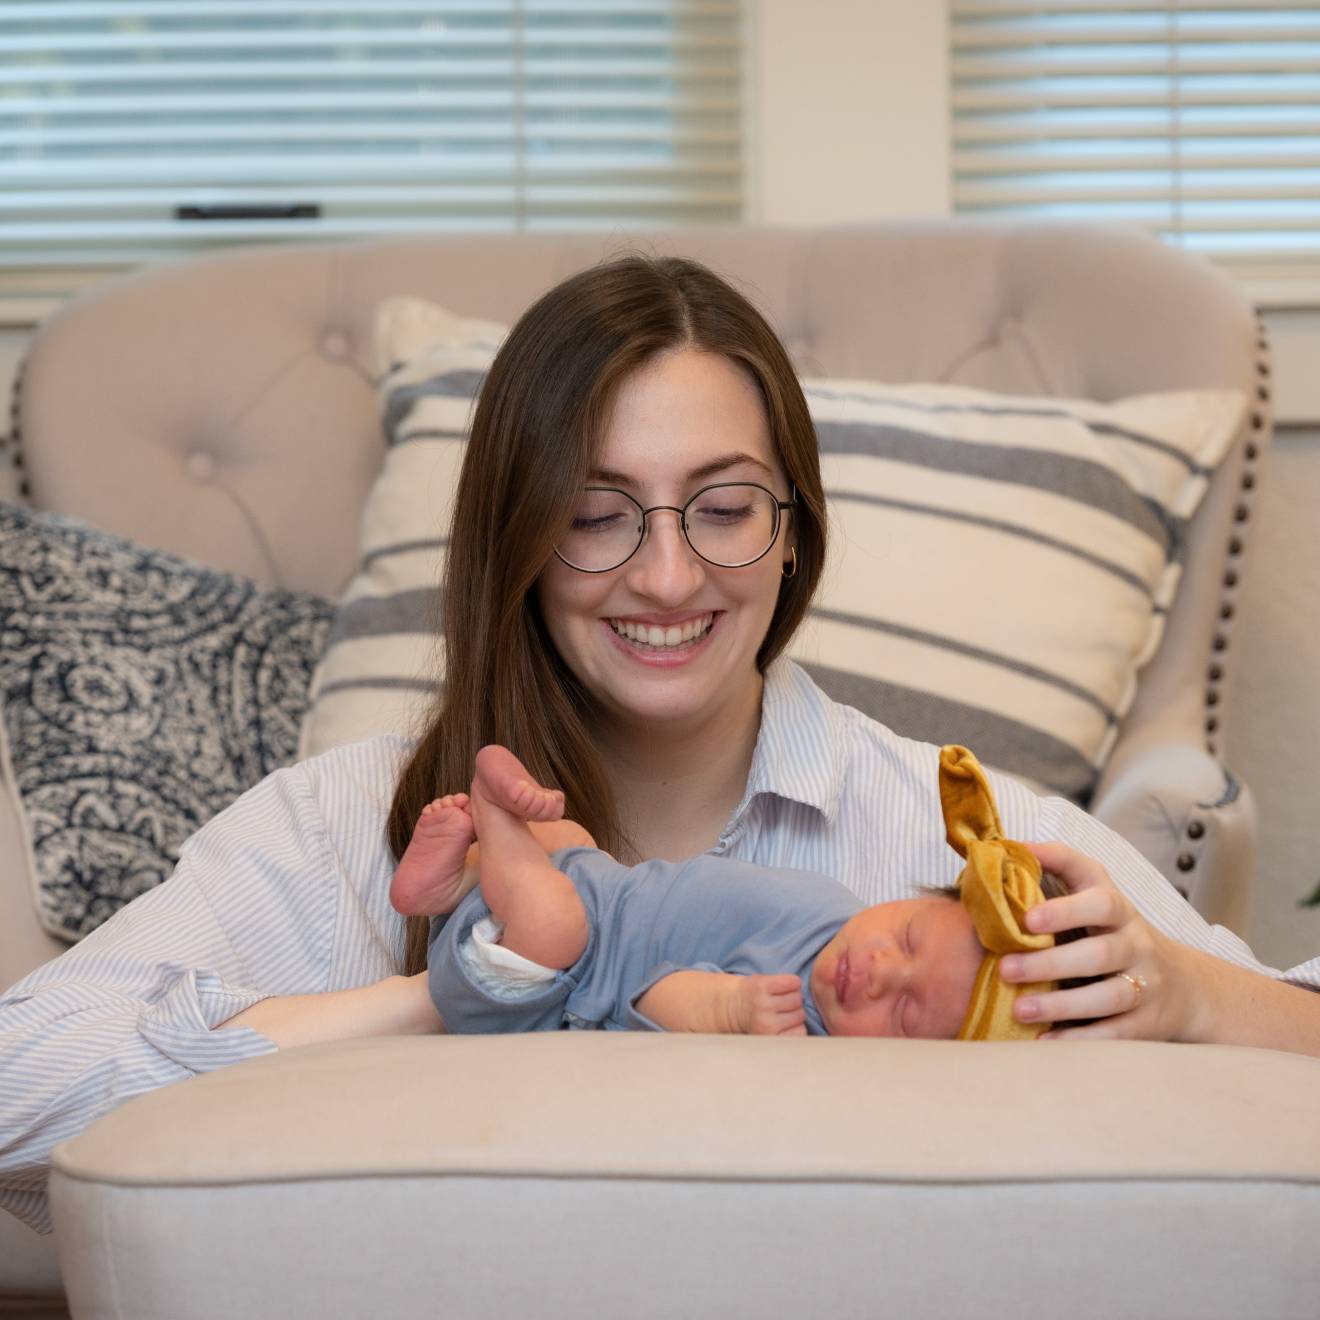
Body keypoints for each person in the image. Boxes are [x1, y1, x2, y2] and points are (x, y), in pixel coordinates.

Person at [3, 254, 1319, 1237]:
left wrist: (1194, 999)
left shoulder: (952, 836)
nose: (670, 576)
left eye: (725, 507)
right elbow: (21, 1088)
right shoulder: (351, 824)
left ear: (793, 533)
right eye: (597, 516)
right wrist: (471, 993)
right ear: (521, 543)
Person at [394, 743, 1057, 1041]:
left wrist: (735, 1011)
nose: (881, 971)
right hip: (594, 891)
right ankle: (458, 877)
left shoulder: (791, 1021)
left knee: (553, 920)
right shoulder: (826, 914)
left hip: (540, 988)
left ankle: (489, 830)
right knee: (571, 843)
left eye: (906, 1013)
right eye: (907, 935)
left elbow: (648, 995)